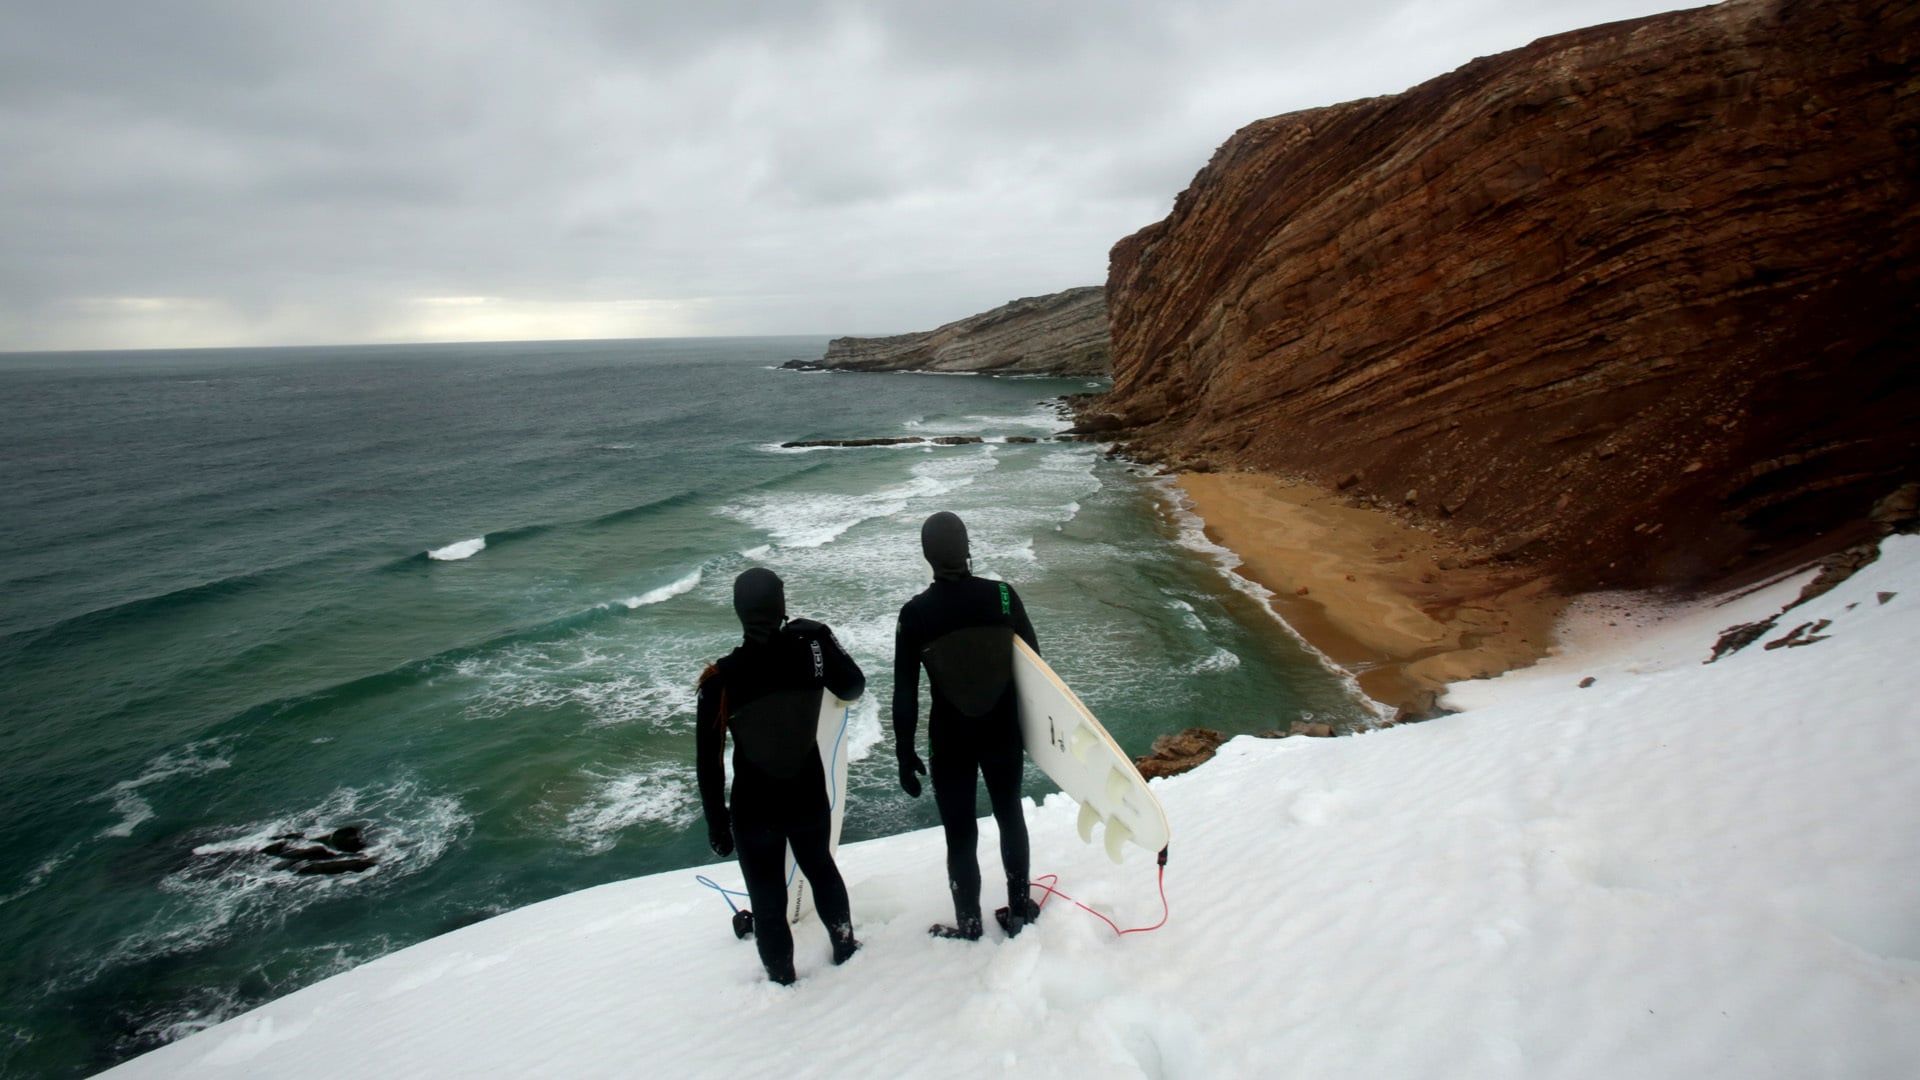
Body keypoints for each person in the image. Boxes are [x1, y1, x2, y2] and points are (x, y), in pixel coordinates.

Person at [697, 567, 865, 984]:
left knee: (767, 899)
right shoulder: (812, 648)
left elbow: (709, 762)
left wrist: (718, 824)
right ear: (782, 607)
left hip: (754, 809)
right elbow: (852, 687)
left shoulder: (720, 680)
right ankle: (845, 948)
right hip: (807, 793)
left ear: (739, 612)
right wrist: (824, 634)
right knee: (821, 869)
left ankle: (783, 981)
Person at [892, 511, 1042, 940]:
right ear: (967, 547)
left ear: (927, 555)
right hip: (1002, 732)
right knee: (1010, 813)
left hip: (950, 739)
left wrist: (905, 753)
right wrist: (1039, 732)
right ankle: (1019, 912)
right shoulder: (1004, 597)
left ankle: (970, 925)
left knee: (960, 833)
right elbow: (1035, 666)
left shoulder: (914, 614)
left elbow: (906, 693)